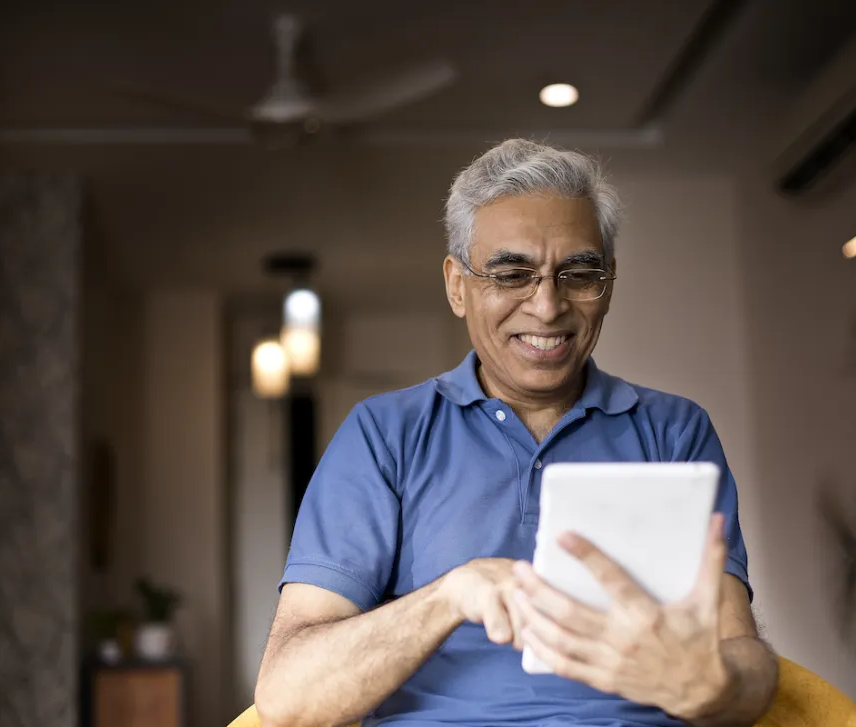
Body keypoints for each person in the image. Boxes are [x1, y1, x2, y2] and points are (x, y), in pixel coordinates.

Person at [255, 139, 778, 727]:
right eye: (512, 273)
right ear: (458, 285)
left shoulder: (674, 432)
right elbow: (287, 698)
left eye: (579, 273)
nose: (548, 306)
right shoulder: (383, 435)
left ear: (609, 283)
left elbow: (743, 655)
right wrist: (450, 596)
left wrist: (717, 687)